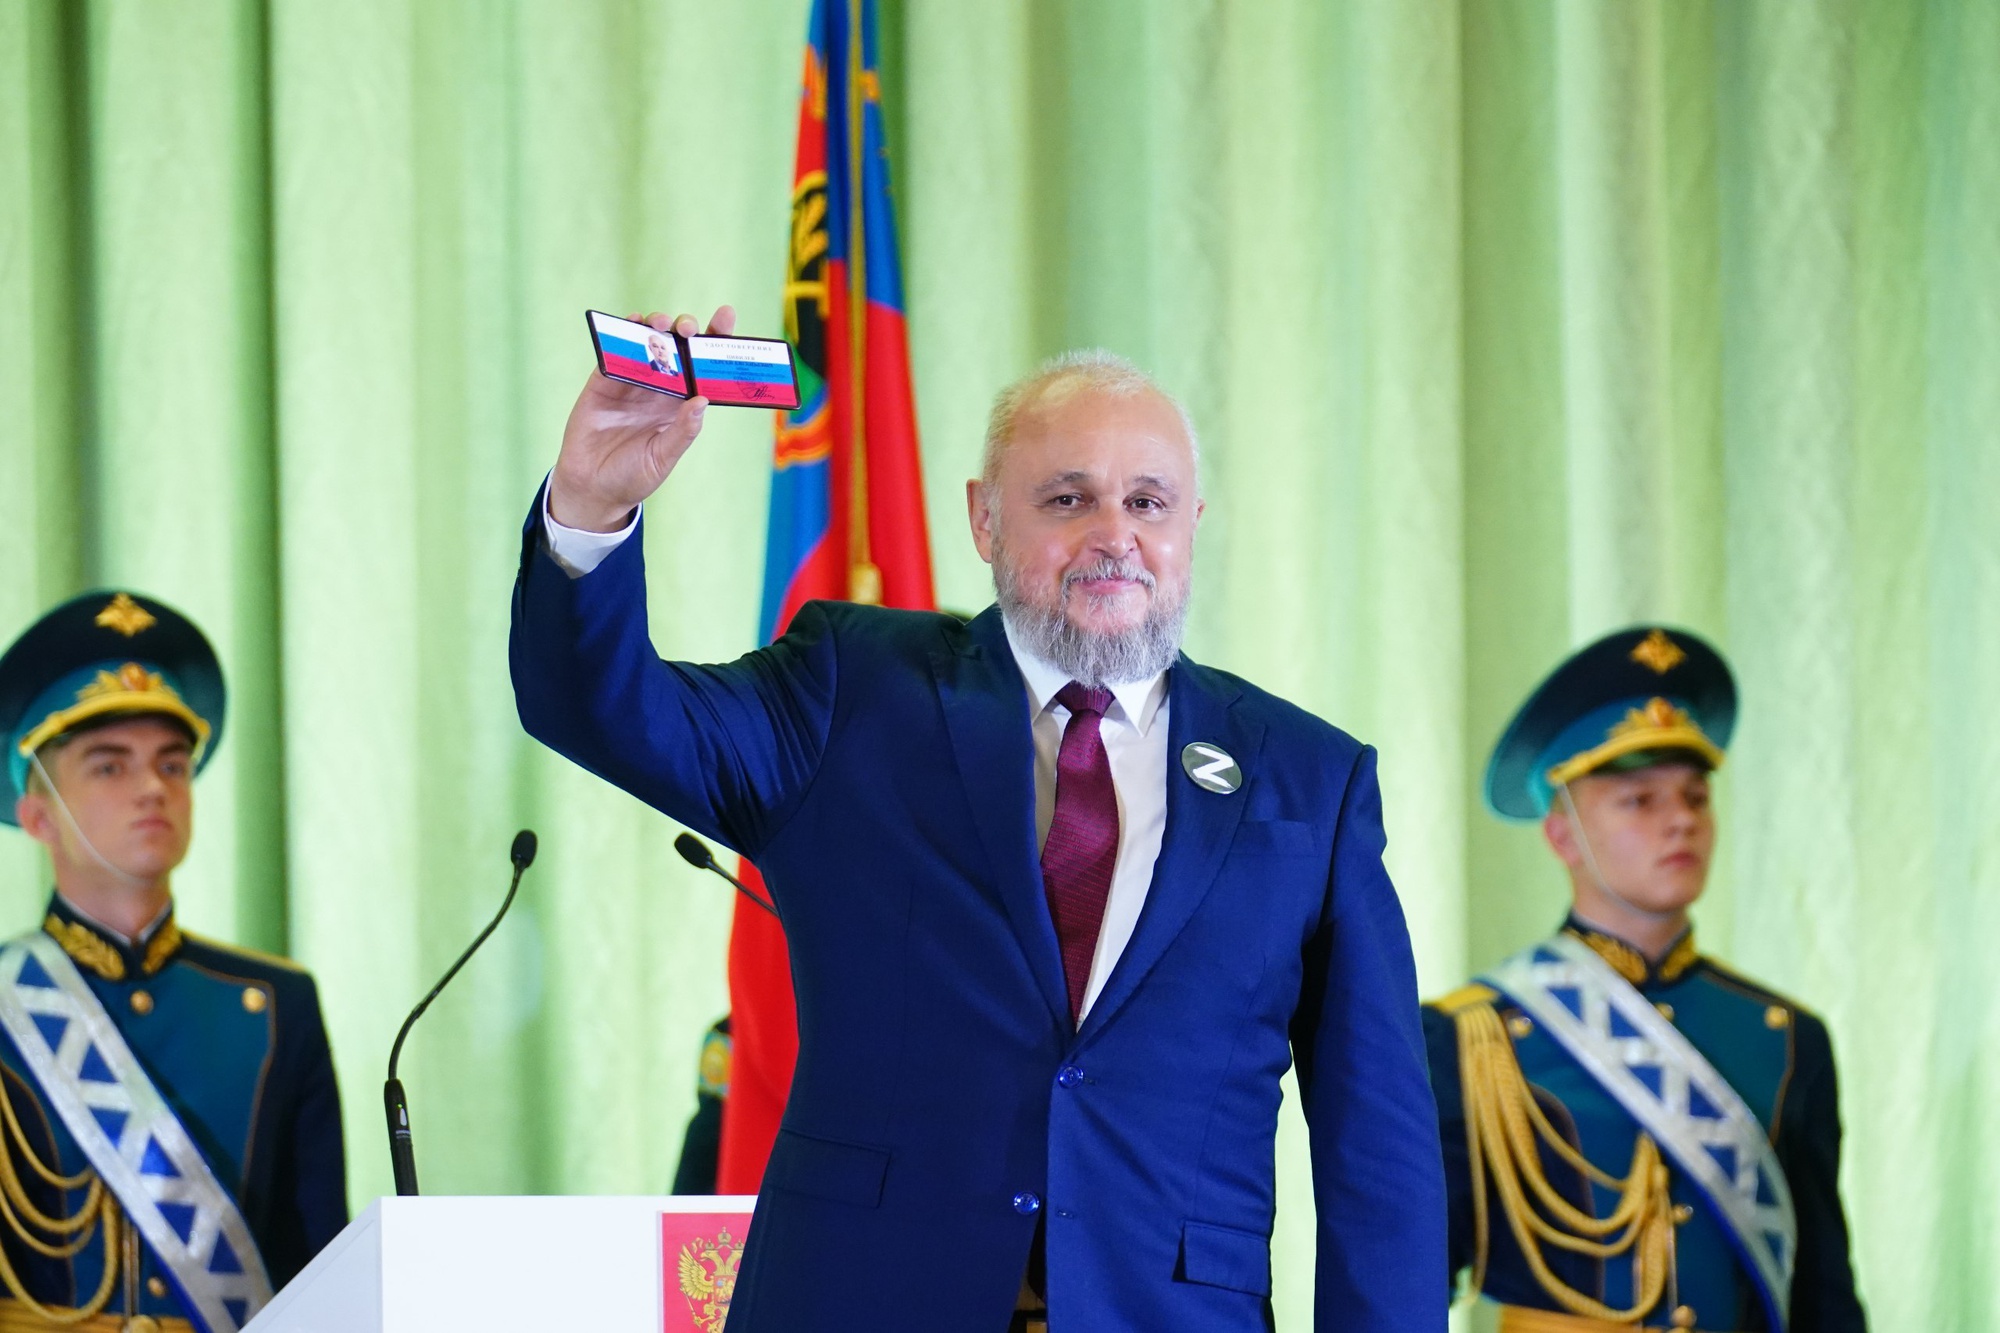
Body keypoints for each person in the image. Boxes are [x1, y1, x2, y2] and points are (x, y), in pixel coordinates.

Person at [510, 308, 1444, 1331]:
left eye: (1148, 501)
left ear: (1191, 525)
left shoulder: (1307, 780)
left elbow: (1379, 1153)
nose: (1115, 536)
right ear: (984, 520)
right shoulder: (852, 690)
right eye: (1067, 498)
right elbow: (607, 711)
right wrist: (590, 510)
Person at [1424, 626, 1866, 1332]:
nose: (1681, 821)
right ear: (1562, 835)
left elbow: (1822, 1297)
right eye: (1639, 800)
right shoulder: (1469, 1038)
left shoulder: (1788, 1038)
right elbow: (1411, 1280)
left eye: (1695, 796)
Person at [0, 591, 347, 1332]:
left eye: (172, 764)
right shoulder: (10, 1001)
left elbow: (320, 1272)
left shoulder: (278, 1004)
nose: (153, 787)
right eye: (109, 766)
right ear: (37, 815)